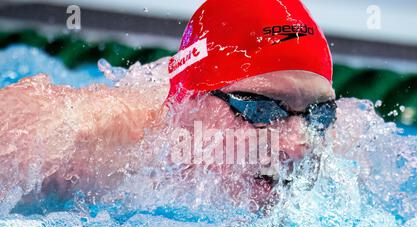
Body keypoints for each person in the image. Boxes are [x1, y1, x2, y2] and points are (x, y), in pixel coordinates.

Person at [0, 0, 336, 212]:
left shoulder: (345, 147)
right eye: (261, 109)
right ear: (188, 101)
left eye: (320, 112)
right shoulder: (74, 144)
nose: (297, 146)